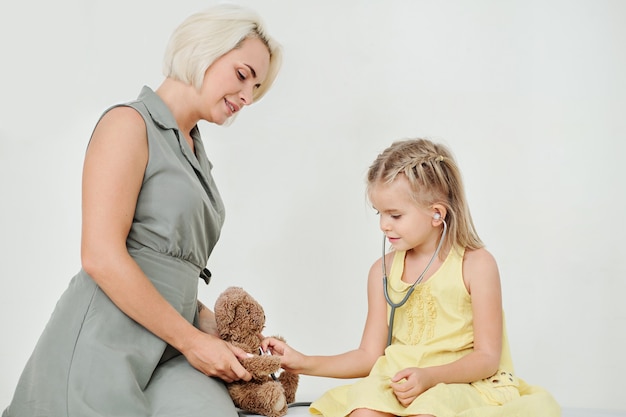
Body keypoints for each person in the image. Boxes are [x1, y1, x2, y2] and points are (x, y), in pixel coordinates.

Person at [3, 4, 282, 417]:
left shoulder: (195, 152)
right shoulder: (127, 125)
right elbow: (100, 255)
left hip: (168, 346)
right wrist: (193, 342)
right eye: (243, 75)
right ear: (203, 50)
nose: (247, 96)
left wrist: (228, 334)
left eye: (256, 88)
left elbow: (173, 272)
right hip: (106, 344)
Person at [262, 139, 561, 416]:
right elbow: (368, 355)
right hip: (401, 379)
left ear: (436, 214)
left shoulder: (476, 265)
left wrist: (430, 377)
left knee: (428, 410)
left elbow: (486, 357)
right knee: (363, 409)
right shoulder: (382, 270)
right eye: (378, 213)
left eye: (394, 215)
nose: (382, 225)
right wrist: (302, 362)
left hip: (464, 382)